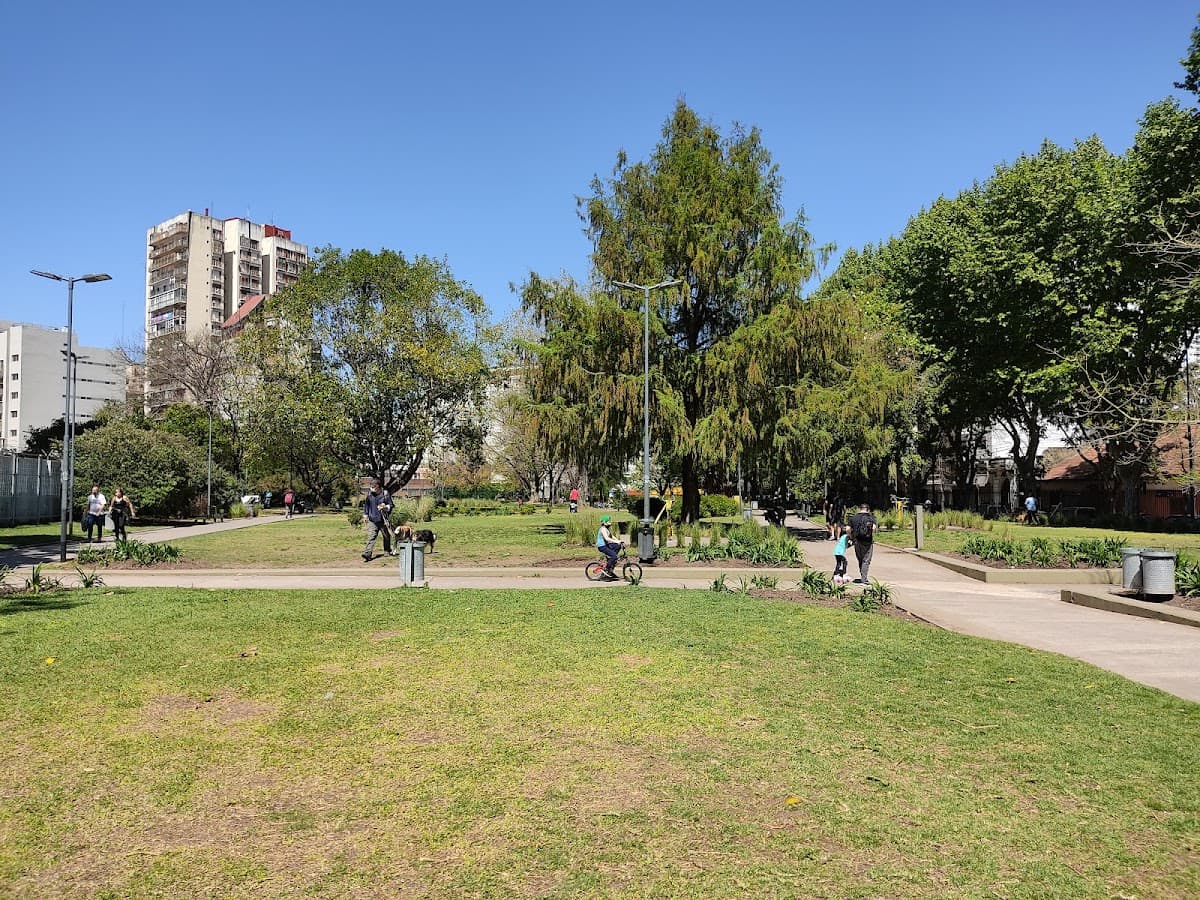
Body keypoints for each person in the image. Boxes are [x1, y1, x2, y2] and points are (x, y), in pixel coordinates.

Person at [361, 480, 394, 561]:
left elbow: (391, 505)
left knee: (386, 536)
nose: (372, 488)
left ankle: (387, 550)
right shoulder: (369, 495)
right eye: (371, 487)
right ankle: (367, 553)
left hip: (383, 520)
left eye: (373, 487)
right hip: (373, 520)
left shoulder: (385, 494)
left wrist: (385, 507)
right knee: (371, 536)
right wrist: (365, 515)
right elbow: (367, 506)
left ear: (378, 486)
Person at [847, 502, 877, 583]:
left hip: (857, 540)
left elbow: (847, 529)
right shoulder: (871, 517)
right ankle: (864, 578)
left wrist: (850, 537)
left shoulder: (853, 518)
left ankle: (862, 575)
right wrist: (870, 534)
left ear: (860, 508)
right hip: (868, 541)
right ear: (868, 509)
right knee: (866, 559)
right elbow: (874, 528)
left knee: (860, 558)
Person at [595, 514, 623, 580]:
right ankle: (607, 569)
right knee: (614, 556)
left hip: (606, 545)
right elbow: (607, 538)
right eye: (608, 521)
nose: (610, 523)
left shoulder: (606, 529)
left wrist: (619, 541)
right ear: (604, 523)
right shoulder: (603, 529)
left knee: (618, 546)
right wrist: (616, 541)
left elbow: (611, 536)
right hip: (602, 546)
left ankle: (611, 567)